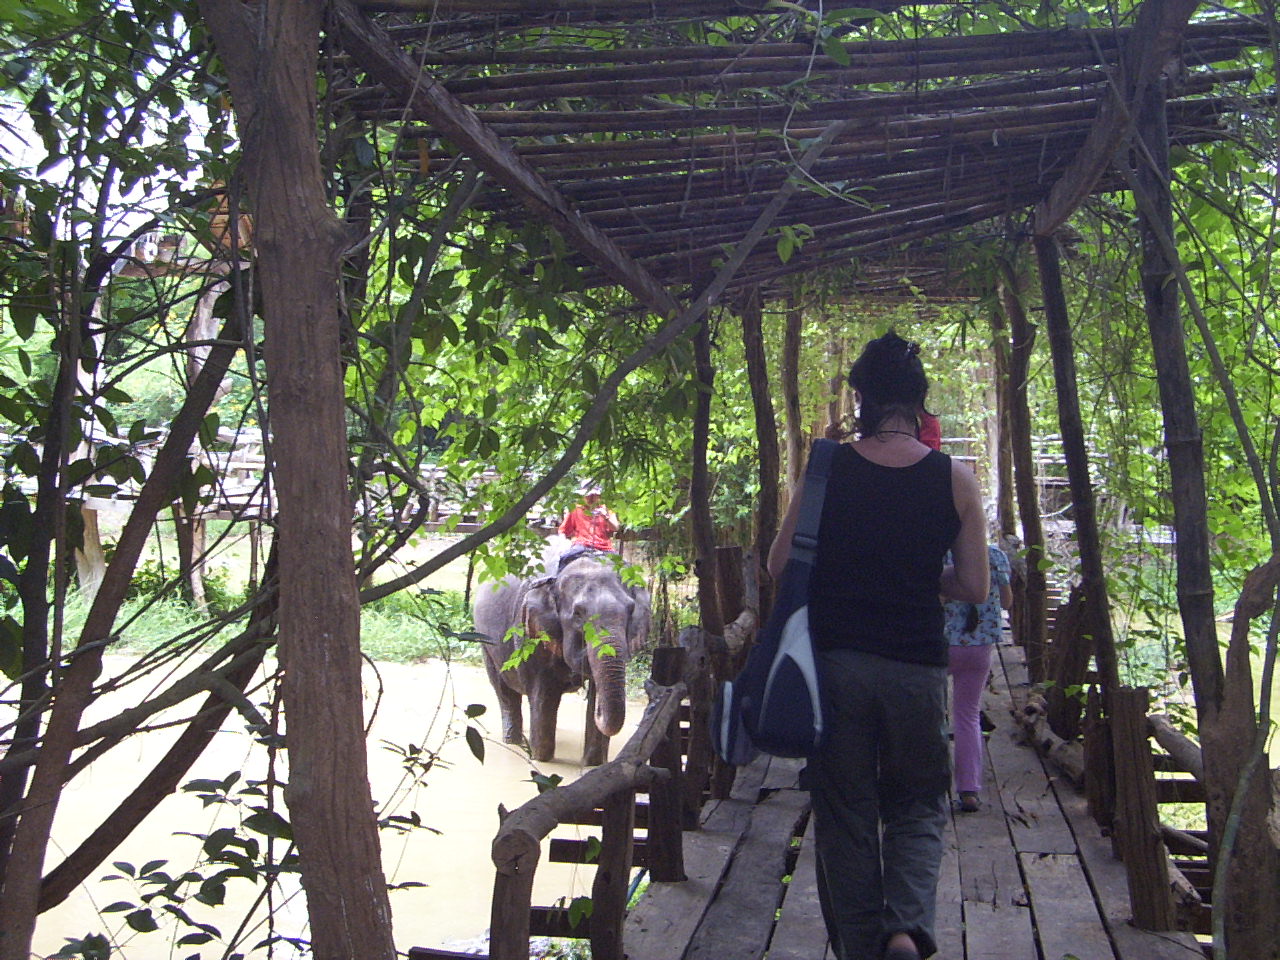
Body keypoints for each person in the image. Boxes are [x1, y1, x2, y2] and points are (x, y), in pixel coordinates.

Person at [767, 331, 988, 960]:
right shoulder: (956, 479)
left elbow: (780, 564)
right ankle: (906, 930)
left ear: (860, 396)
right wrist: (918, 576)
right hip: (917, 668)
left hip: (836, 666)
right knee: (918, 805)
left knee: (847, 814)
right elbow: (973, 586)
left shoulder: (827, 468)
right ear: (919, 401)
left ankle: (862, 949)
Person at [945, 542, 1013, 814]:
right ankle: (969, 789)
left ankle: (928, 786)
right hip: (980, 645)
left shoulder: (940, 554)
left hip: (942, 644)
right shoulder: (994, 556)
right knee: (968, 716)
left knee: (930, 713)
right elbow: (1007, 601)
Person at [558, 484, 618, 553]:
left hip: (604, 547)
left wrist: (606, 517)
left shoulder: (607, 509)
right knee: (565, 557)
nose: (590, 498)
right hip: (582, 545)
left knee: (617, 559)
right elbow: (563, 530)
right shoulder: (576, 509)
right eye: (588, 495)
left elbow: (615, 528)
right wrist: (563, 545)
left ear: (599, 496)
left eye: (593, 495)